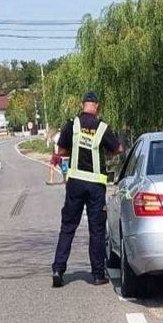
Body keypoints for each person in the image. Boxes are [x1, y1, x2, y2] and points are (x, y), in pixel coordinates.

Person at [51, 91, 123, 287]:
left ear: (83, 105)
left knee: (68, 227)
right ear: (96, 106)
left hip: (75, 184)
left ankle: (58, 269)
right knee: (97, 230)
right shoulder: (102, 127)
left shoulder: (72, 124)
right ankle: (98, 274)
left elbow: (62, 149)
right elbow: (118, 148)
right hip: (95, 186)